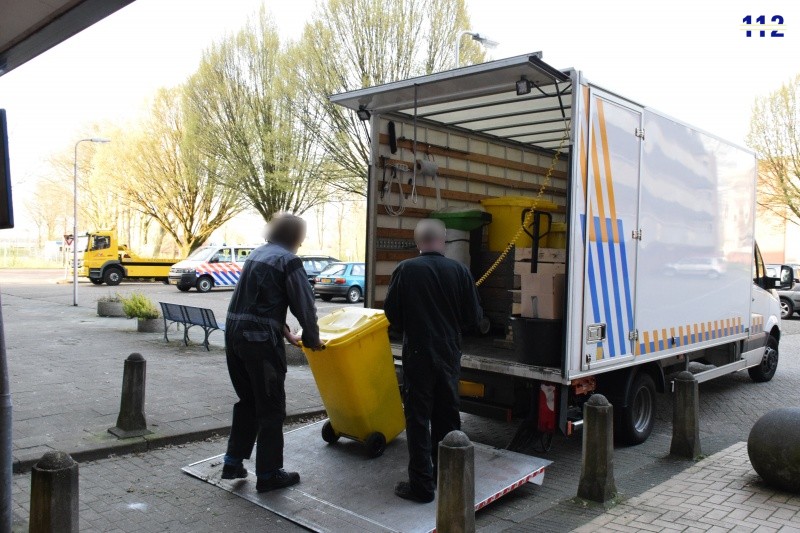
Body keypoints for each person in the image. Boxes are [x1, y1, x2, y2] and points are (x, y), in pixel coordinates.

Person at [221, 213, 325, 493]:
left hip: (234, 335)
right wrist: (312, 339)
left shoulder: (257, 254)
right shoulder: (288, 261)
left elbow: (256, 303)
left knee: (248, 402)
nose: (300, 244)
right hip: (259, 344)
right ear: (294, 237)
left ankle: (232, 463)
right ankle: (268, 475)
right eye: (300, 238)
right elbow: (305, 305)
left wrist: (285, 332)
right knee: (271, 408)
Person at [384, 218, 483, 503]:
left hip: (417, 351)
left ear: (418, 242)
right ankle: (448, 477)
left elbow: (392, 313)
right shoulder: (460, 271)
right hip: (449, 351)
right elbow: (474, 318)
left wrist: (410, 326)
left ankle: (421, 486)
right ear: (444, 241)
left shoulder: (405, 270)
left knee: (418, 417)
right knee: (448, 415)